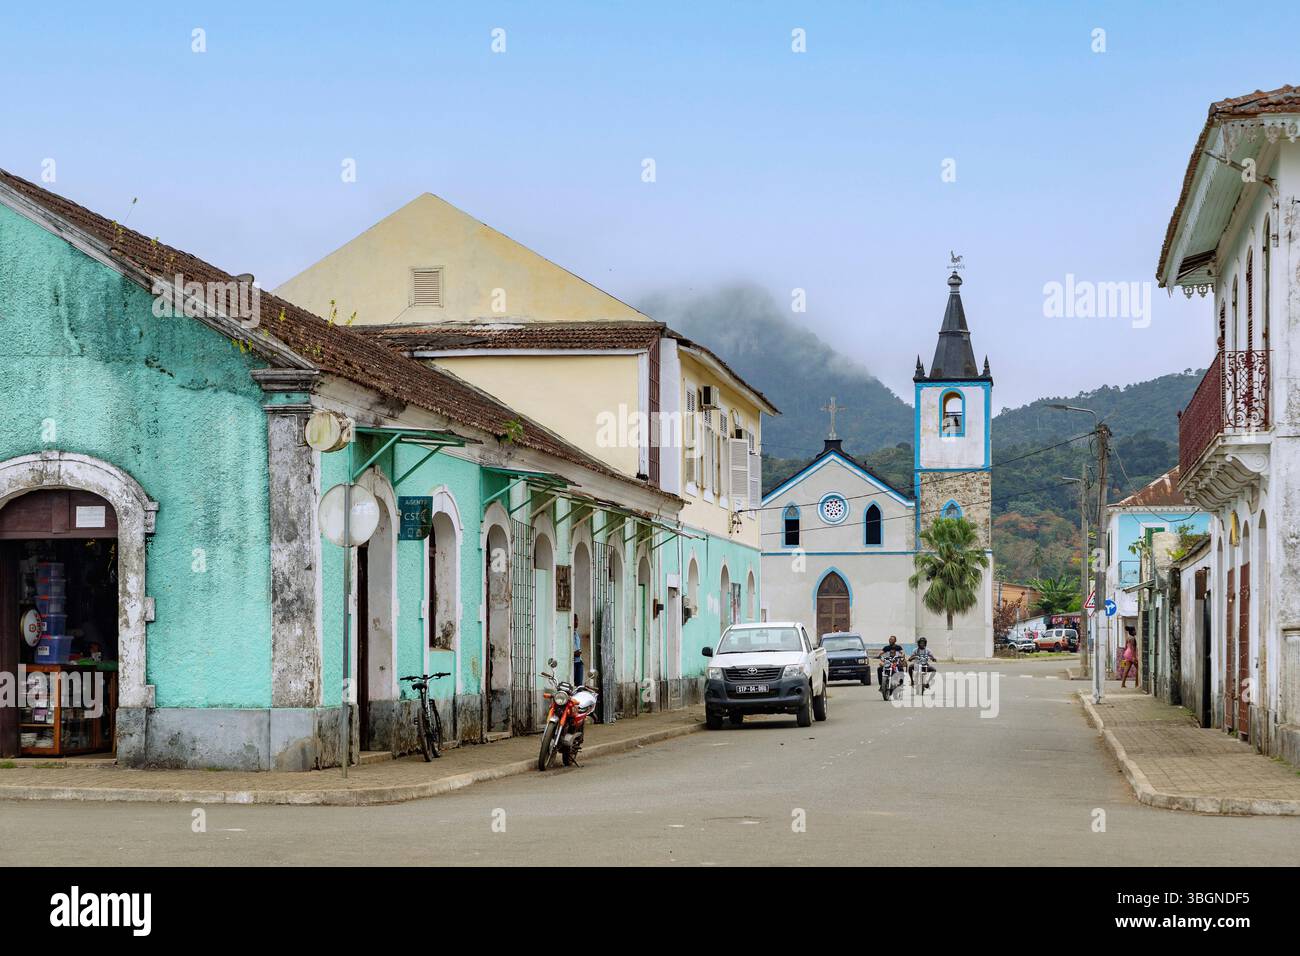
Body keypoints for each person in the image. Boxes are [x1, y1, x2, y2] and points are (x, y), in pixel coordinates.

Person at [572, 614, 584, 686]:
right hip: (572, 662)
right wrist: (574, 653)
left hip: (579, 662)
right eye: (575, 620)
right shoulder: (568, 633)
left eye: (577, 620)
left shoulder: (576, 634)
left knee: (579, 685)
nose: (576, 622)